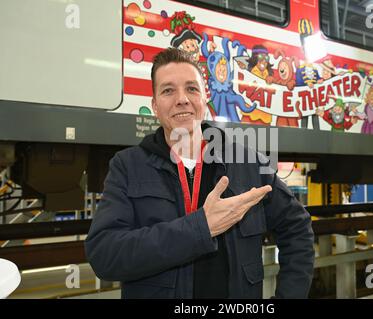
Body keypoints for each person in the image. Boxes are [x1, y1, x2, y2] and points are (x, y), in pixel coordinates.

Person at [85, 48, 315, 299]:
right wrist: (201, 228)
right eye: (168, 90)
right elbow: (104, 255)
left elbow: (298, 228)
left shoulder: (248, 162)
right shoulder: (127, 166)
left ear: (206, 100)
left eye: (192, 89)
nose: (182, 99)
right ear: (154, 106)